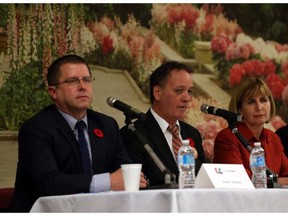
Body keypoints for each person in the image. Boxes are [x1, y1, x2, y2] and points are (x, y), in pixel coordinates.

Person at [11, 54, 147, 212]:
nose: (83, 86)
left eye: (87, 80)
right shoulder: (36, 129)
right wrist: (108, 181)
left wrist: (133, 178)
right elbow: (49, 182)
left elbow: (125, 170)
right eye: (73, 81)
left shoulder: (106, 124)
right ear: (53, 91)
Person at [120, 61, 206, 187]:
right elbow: (138, 187)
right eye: (179, 90)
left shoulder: (192, 133)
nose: (187, 98)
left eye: (189, 91)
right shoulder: (133, 134)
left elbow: (203, 181)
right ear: (157, 93)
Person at [213, 76, 288, 179]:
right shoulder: (227, 138)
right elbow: (240, 179)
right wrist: (276, 181)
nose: (259, 107)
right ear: (239, 109)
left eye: (263, 100)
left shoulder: (274, 138)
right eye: (251, 102)